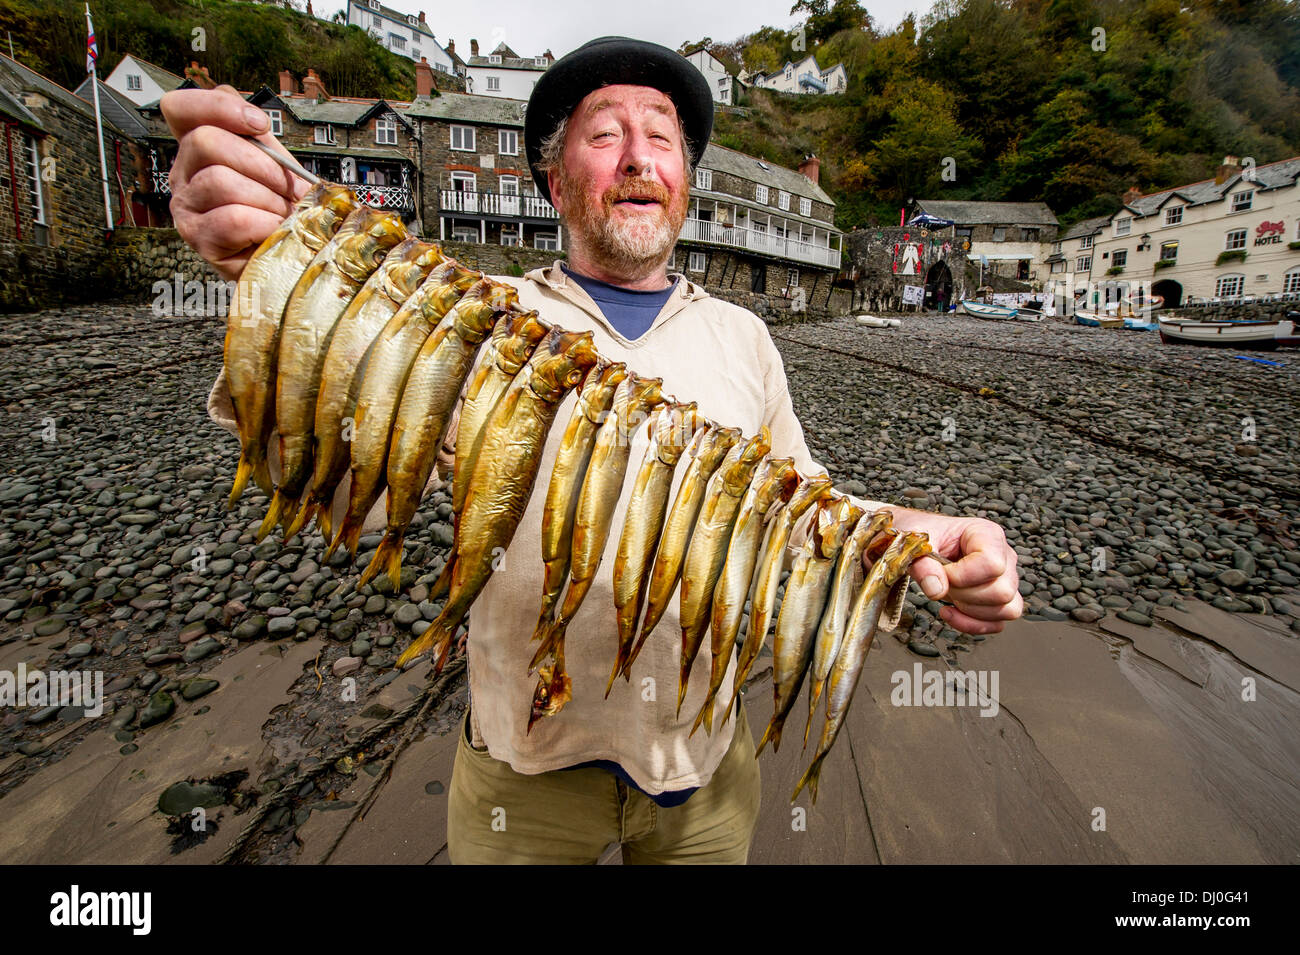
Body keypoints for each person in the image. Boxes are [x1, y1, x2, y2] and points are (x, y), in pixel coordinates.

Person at [161, 36, 1022, 865]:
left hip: (703, 771)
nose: (638, 157)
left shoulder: (746, 338)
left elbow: (801, 518)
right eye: (605, 134)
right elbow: (349, 464)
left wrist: (920, 534)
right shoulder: (476, 315)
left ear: (685, 182)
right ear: (554, 178)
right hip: (522, 770)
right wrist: (268, 279)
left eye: (662, 138)